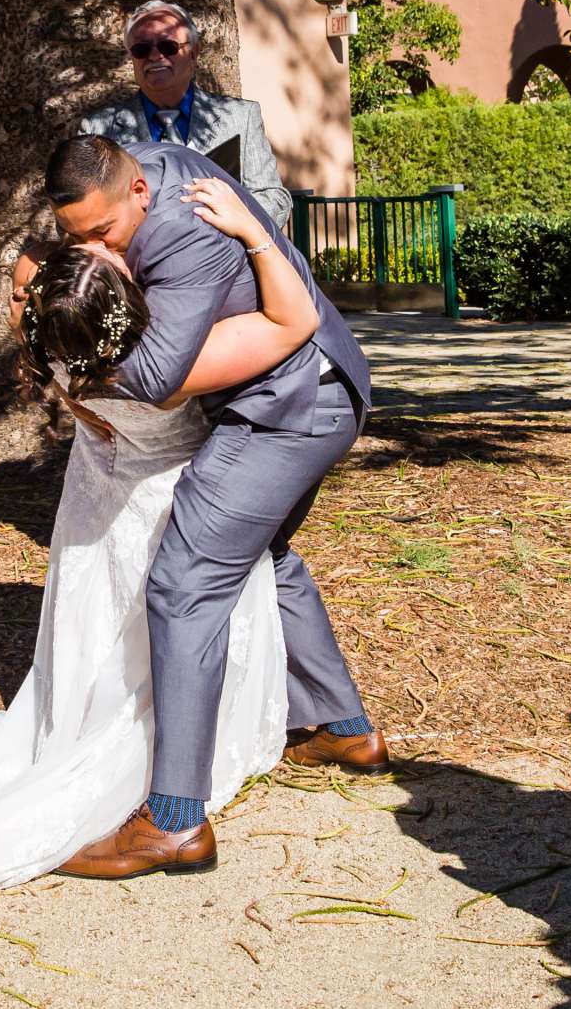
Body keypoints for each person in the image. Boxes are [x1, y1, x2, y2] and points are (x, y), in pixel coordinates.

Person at [0, 175, 321, 941]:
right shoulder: (168, 374)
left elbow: (38, 287)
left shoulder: (60, 355)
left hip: (98, 493)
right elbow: (294, 322)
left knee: (100, 617)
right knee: (174, 607)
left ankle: (98, 717)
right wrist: (253, 231)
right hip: (163, 496)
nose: (107, 251)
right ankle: (180, 767)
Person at [45, 134, 386, 881]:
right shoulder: (132, 170)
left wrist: (78, 327)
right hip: (317, 390)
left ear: (137, 194)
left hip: (290, 407)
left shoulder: (183, 231)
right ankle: (342, 727)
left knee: (182, 585)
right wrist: (60, 266)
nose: (95, 251)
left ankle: (174, 819)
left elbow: (163, 376)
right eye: (77, 238)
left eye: (102, 236)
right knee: (262, 556)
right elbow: (76, 239)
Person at [77, 0, 293, 228]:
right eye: (141, 50)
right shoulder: (98, 129)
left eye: (168, 46)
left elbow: (274, 199)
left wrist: (228, 226)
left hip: (221, 255)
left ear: (194, 52)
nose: (154, 56)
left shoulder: (240, 117)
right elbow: (79, 208)